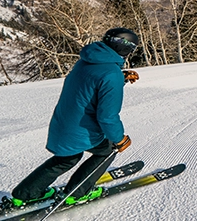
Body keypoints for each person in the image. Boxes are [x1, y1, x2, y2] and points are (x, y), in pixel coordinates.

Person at [9, 28, 139, 208]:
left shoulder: (86, 60)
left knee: (67, 158)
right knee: (108, 149)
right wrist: (119, 139)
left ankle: (25, 194)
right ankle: (77, 193)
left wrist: (120, 78)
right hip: (82, 129)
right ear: (125, 49)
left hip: (63, 123)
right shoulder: (111, 74)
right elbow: (107, 116)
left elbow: (90, 87)